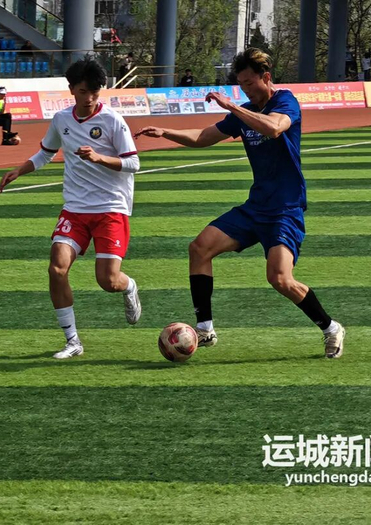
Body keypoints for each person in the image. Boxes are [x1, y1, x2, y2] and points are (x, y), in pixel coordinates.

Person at [134, 48, 346, 358]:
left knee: (279, 278)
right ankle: (205, 329)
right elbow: (203, 137)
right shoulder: (243, 111)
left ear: (266, 77)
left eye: (249, 83)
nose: (245, 89)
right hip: (256, 206)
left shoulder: (285, 101)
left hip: (285, 209)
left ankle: (331, 328)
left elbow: (274, 127)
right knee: (199, 248)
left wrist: (231, 106)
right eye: (241, 84)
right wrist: (166, 132)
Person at [0, 57, 142, 359]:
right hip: (75, 208)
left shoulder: (113, 120)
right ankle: (73, 341)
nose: (89, 98)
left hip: (110, 208)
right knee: (56, 268)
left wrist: (100, 158)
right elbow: (45, 153)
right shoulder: (62, 119)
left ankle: (129, 287)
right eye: (83, 91)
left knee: (108, 281)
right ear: (72, 89)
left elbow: (133, 163)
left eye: (94, 92)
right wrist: (18, 171)